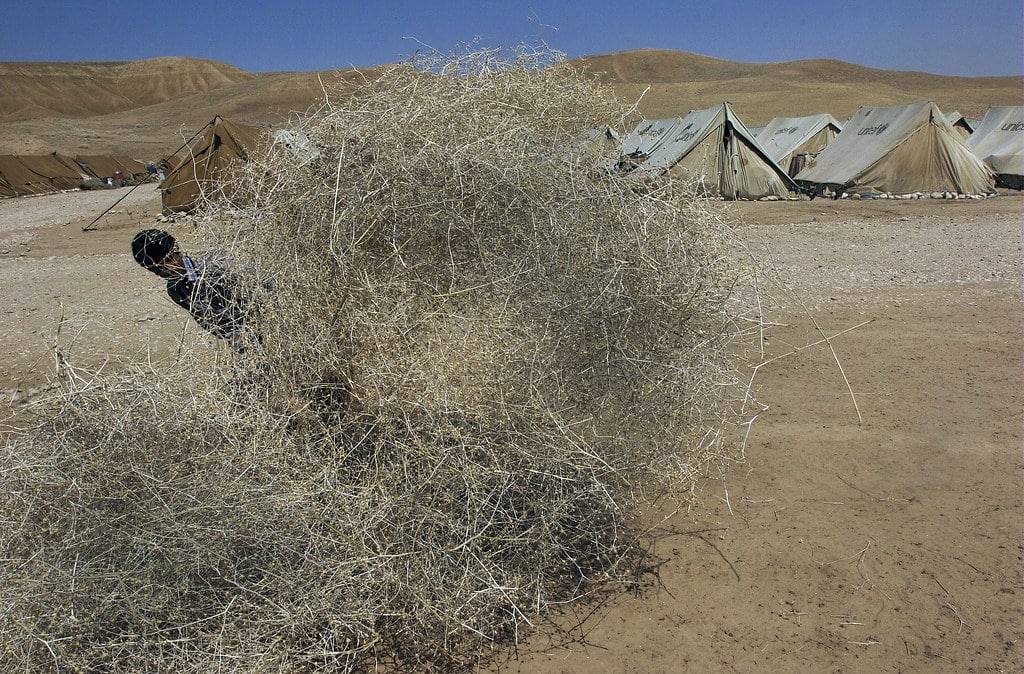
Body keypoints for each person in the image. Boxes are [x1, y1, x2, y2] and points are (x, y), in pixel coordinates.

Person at [131, 228, 258, 352]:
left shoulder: (217, 265)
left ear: (177, 251)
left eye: (169, 260)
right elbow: (210, 322)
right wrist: (237, 338)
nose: (167, 269)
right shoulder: (176, 290)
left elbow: (262, 290)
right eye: (158, 270)